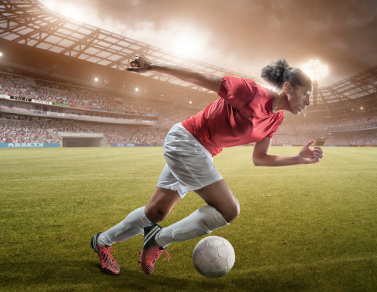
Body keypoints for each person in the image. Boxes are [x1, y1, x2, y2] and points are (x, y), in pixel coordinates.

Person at [90, 55, 324, 275]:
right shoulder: (250, 92)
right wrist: (154, 66)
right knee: (229, 210)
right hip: (186, 141)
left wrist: (298, 159)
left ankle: (101, 241)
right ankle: (158, 240)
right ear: (288, 87)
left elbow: (259, 158)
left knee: (156, 211)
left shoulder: (277, 118)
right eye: (306, 93)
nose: (309, 101)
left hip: (200, 152)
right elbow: (198, 78)